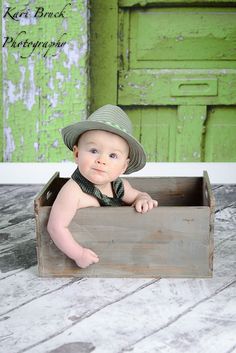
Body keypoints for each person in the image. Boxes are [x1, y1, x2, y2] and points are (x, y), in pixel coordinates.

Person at [47, 104, 158, 268]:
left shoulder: (119, 186)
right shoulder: (73, 191)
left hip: (124, 253)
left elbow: (138, 195)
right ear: (77, 154)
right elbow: (55, 227)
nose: (102, 160)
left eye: (113, 155)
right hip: (90, 254)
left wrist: (143, 199)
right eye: (93, 150)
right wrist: (78, 253)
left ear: (124, 167)